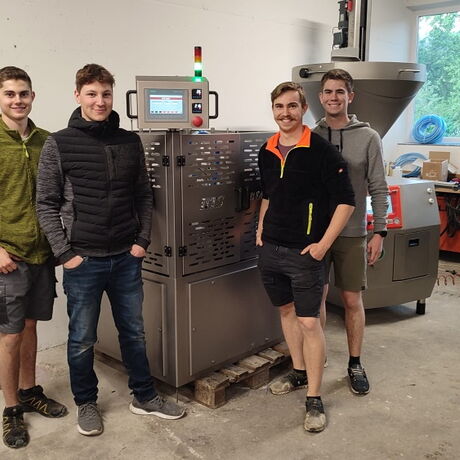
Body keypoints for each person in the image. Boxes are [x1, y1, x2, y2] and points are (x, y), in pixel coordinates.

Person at [36, 64, 185, 437]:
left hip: (125, 257)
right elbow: (46, 203)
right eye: (91, 94)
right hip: (82, 260)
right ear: (77, 96)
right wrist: (65, 254)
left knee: (133, 332)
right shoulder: (59, 143)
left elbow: (144, 195)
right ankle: (86, 402)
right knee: (82, 338)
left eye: (105, 94)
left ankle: (144, 396)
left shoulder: (129, 141)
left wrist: (141, 241)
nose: (99, 101)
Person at [257, 81, 355, 432]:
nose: (285, 113)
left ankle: (314, 397)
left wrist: (323, 244)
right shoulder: (267, 149)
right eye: (279, 106)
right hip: (271, 248)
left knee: (310, 322)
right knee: (285, 311)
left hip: (306, 252)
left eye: (292, 106)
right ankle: (298, 372)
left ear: (304, 109)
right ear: (273, 110)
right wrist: (260, 230)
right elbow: (268, 195)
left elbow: (346, 201)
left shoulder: (321, 150)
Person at [0, 66, 68, 449]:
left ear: (33, 96)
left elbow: (59, 194)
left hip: (42, 254)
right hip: (8, 255)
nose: (18, 100)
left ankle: (29, 391)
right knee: (9, 334)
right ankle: (11, 409)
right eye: (10, 94)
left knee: (30, 326)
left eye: (23, 93)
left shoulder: (47, 142)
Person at [313, 68, 389, 395]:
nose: (334, 97)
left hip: (353, 232)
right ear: (320, 97)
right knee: (315, 298)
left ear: (350, 96)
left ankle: (355, 363)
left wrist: (379, 231)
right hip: (315, 233)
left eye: (340, 92)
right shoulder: (311, 136)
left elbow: (379, 187)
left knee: (351, 298)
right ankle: (316, 359)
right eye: (328, 92)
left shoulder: (369, 137)